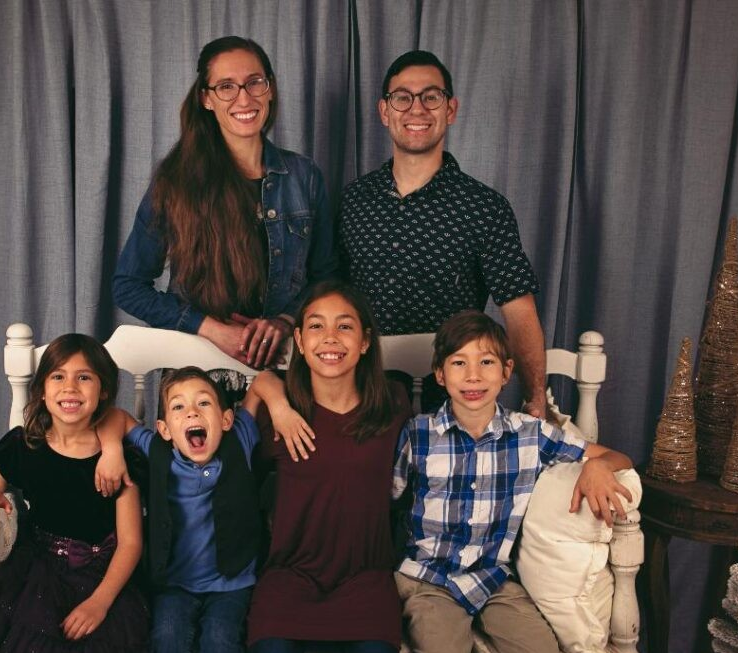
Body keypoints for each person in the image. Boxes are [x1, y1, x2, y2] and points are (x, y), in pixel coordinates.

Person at [392, 310, 634, 653]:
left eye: (486, 362)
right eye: (459, 363)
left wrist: (597, 468)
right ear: (440, 375)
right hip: (429, 578)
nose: (473, 376)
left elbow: (616, 457)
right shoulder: (418, 433)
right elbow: (388, 495)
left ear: (507, 372)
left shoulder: (530, 434)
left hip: (494, 579)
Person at [337, 50, 546, 416]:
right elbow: (330, 297)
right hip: (362, 402)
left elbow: (519, 310)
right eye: (402, 97)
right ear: (384, 111)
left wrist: (536, 399)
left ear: (450, 109)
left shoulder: (485, 208)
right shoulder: (353, 200)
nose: (416, 109)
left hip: (451, 411)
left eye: (430, 97)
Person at [114, 35, 336, 370]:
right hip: (197, 378)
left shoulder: (304, 176)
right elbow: (128, 286)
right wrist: (211, 329)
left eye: (254, 83)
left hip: (286, 371)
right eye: (226, 87)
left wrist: (287, 320)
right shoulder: (176, 182)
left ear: (271, 89)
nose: (243, 98)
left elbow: (327, 276)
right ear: (206, 98)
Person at [0, 334, 148, 652]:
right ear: (42, 391)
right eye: (58, 376)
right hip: (38, 570)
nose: (70, 388)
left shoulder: (119, 461)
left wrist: (100, 603)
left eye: (84, 377)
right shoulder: (24, 446)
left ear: (103, 390)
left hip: (104, 575)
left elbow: (131, 542)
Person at [246, 280, 412, 653]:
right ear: (300, 343)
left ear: (365, 342)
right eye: (317, 326)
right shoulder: (281, 416)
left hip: (366, 580)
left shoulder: (393, 406)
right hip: (290, 578)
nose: (331, 337)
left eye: (345, 326)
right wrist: (273, 397)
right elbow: (232, 469)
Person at [98, 366, 269, 653]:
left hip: (232, 581)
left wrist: (281, 407)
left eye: (203, 403)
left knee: (219, 638)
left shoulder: (240, 439)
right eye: (178, 406)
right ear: (164, 430)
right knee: (167, 637)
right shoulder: (158, 451)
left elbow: (263, 381)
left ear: (226, 419)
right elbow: (115, 417)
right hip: (175, 583)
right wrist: (112, 450)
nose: (192, 412)